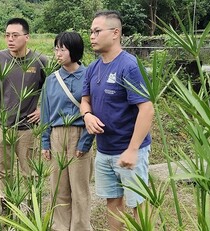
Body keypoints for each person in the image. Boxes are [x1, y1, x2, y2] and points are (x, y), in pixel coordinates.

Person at [80, 11, 154, 231]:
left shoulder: (130, 66)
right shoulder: (93, 67)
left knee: (138, 203)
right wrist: (87, 115)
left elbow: (147, 109)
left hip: (131, 149)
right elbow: (85, 101)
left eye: (97, 31)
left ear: (115, 33)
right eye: (91, 31)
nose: (92, 36)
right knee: (112, 201)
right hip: (104, 149)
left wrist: (132, 150)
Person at [0, 18, 48, 204]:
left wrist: (41, 110)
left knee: (29, 172)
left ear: (27, 37)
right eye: (7, 35)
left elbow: (52, 90)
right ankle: (7, 209)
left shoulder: (39, 61)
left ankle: (31, 209)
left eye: (15, 35)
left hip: (26, 127)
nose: (10, 39)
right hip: (0, 124)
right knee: (3, 172)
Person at [40, 32, 94, 231]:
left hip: (79, 134)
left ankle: (80, 227)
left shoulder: (89, 76)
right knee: (58, 187)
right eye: (56, 49)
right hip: (56, 136)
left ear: (75, 51)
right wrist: (45, 142)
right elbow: (45, 112)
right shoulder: (51, 79)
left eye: (62, 49)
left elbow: (93, 111)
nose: (58, 53)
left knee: (80, 189)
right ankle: (60, 227)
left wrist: (85, 142)